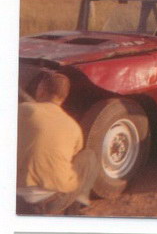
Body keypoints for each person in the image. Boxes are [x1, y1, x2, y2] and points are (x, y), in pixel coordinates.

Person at [17, 70, 98, 215]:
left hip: (16, 197)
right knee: (89, 157)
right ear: (64, 97)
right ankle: (74, 211)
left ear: (41, 91)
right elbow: (72, 155)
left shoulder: (22, 110)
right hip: (51, 201)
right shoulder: (74, 127)